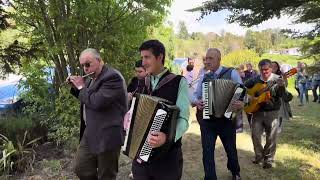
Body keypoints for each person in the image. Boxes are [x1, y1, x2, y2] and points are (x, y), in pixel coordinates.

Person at [131, 40, 190, 180]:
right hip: (140, 157)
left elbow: (184, 119)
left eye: (147, 57)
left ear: (160, 57)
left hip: (167, 159)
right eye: (142, 57)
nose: (143, 62)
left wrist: (167, 137)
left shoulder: (178, 82)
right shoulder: (141, 82)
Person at [69, 48, 127, 180]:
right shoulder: (90, 78)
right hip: (90, 132)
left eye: (88, 64)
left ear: (99, 61)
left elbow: (96, 102)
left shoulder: (113, 77)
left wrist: (81, 87)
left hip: (108, 134)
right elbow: (87, 98)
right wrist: (75, 87)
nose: (85, 68)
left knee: (106, 174)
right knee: (81, 168)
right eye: (82, 65)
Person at [192, 48, 244, 180]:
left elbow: (242, 92)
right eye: (206, 59)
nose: (207, 61)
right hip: (208, 122)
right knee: (207, 152)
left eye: (211, 59)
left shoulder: (231, 73)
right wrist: (197, 102)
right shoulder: (204, 76)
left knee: (231, 150)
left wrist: (241, 103)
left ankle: (235, 172)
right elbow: (195, 95)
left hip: (226, 120)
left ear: (219, 59)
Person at [244, 59, 285, 169]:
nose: (264, 72)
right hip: (257, 112)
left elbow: (281, 95)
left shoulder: (277, 79)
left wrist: (281, 86)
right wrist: (249, 97)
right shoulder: (255, 79)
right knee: (255, 136)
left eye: (266, 69)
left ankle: (269, 159)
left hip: (272, 112)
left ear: (271, 69)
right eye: (262, 70)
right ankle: (258, 156)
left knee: (271, 137)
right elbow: (243, 87)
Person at [271, 61, 292, 133]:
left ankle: (279, 126)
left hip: (279, 96)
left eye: (275, 66)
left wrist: (284, 80)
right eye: (272, 66)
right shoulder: (267, 74)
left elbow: (286, 85)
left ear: (278, 67)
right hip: (270, 96)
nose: (273, 67)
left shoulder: (282, 75)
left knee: (280, 112)